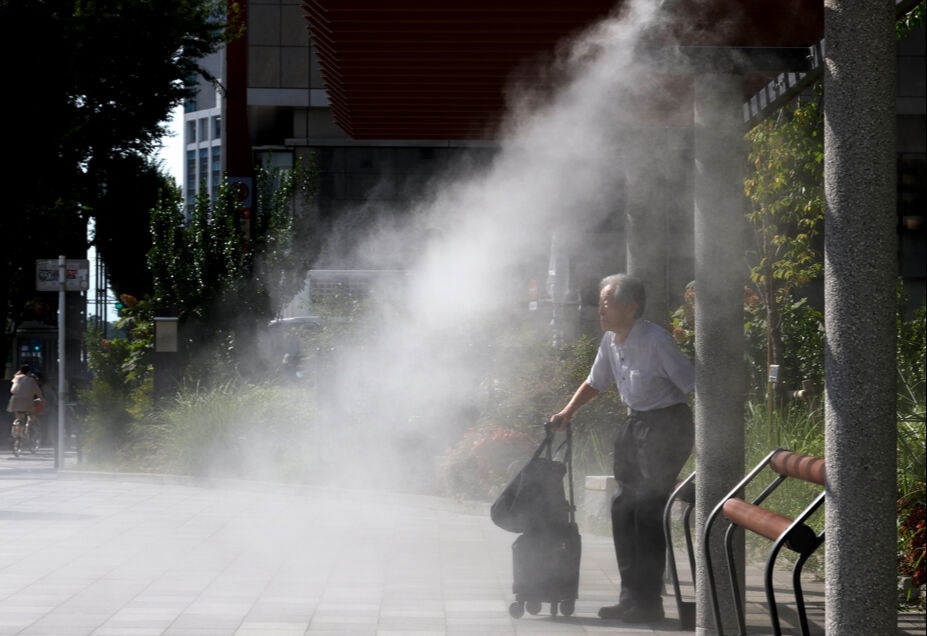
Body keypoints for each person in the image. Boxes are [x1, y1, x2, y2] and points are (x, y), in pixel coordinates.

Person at [550, 274, 694, 624]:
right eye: (600, 302)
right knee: (622, 509)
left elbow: (693, 383)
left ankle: (648, 603)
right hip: (636, 425)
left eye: (607, 302)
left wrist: (704, 443)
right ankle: (630, 596)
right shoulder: (611, 340)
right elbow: (596, 382)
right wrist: (567, 413)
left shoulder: (656, 341)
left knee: (647, 511)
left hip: (666, 426)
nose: (600, 308)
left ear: (631, 307)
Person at [9, 364, 43, 431]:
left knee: (18, 417)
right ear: (29, 372)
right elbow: (38, 392)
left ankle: (17, 426)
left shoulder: (16, 378)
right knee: (31, 415)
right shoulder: (31, 380)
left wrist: (20, 372)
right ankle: (28, 427)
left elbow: (12, 390)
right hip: (27, 403)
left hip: (15, 402)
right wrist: (41, 399)